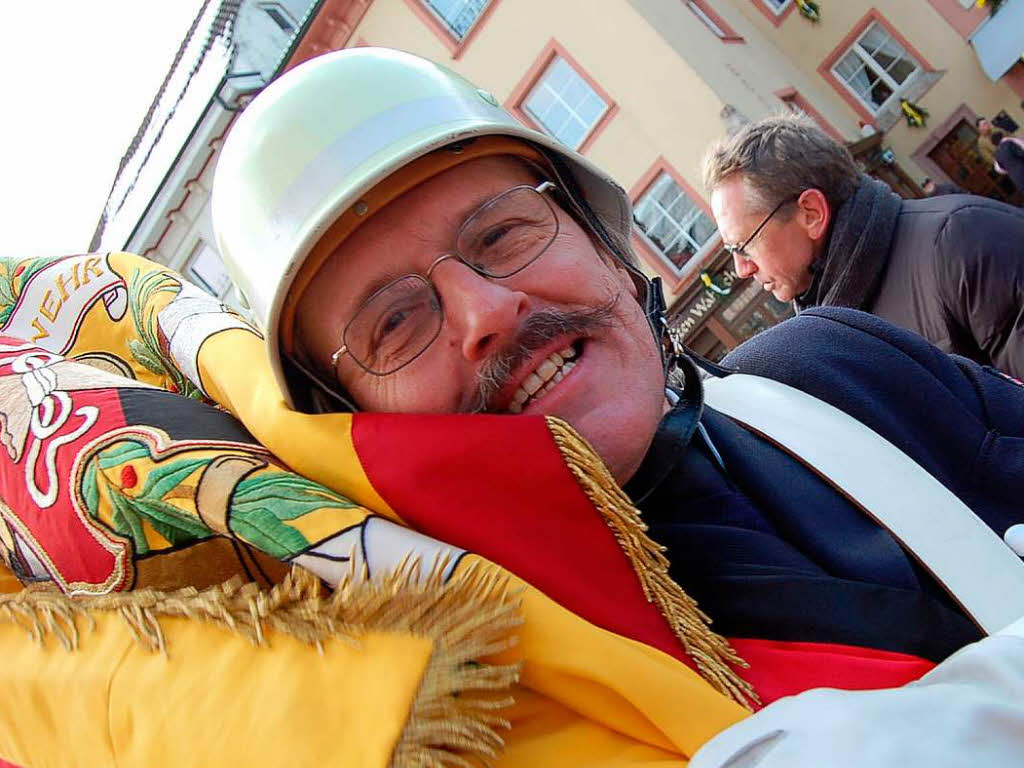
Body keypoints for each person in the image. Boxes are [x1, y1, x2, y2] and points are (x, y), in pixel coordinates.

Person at [210, 48, 1024, 765]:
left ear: (598, 238)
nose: (486, 312)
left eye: (500, 234)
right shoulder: (486, 712)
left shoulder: (841, 364)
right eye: (392, 322)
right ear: (354, 423)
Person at [703, 112, 1024, 378]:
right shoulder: (827, 340)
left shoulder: (961, 242)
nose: (742, 269)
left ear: (811, 213)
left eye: (744, 245)